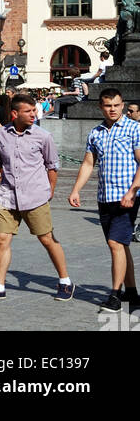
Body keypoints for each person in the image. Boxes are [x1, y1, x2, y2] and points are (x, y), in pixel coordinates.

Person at [0, 91, 73, 302]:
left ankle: (65, 281)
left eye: (34, 110)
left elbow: (52, 166)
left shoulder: (43, 136)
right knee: (1, 239)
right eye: (28, 111)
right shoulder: (1, 135)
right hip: (7, 195)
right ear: (14, 114)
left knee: (46, 239)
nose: (33, 114)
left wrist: (50, 190)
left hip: (35, 196)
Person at [68, 88, 140, 313]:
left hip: (127, 196)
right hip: (105, 196)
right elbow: (89, 163)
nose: (113, 109)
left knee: (115, 244)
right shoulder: (96, 132)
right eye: (108, 105)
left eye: (117, 105)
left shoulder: (134, 129)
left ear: (122, 104)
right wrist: (76, 189)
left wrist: (132, 191)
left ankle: (115, 296)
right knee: (121, 245)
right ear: (101, 106)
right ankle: (132, 293)